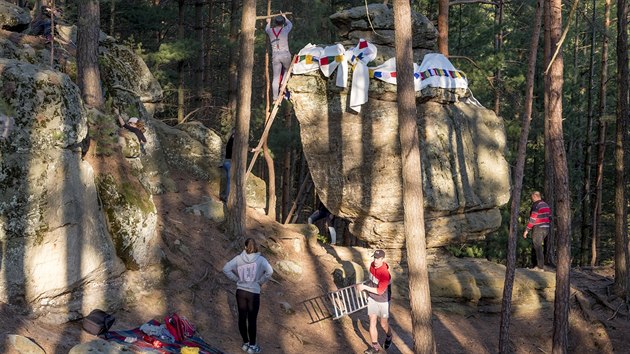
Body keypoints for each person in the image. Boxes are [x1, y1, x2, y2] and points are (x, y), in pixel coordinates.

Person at [223, 238, 274, 354]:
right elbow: (270, 271)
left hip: (240, 291)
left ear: (245, 247)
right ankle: (252, 346)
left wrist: (236, 279)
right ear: (256, 247)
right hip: (253, 293)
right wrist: (260, 281)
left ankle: (245, 343)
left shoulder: (238, 258)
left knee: (242, 317)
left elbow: (226, 269)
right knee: (252, 319)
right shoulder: (261, 260)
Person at [356, 250, 393, 354]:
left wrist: (364, 287)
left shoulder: (384, 273)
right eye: (375, 258)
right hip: (372, 298)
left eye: (378, 258)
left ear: (382, 259)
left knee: (383, 324)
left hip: (383, 301)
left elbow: (380, 291)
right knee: (372, 322)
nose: (376, 260)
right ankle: (375, 347)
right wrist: (364, 285)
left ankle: (389, 336)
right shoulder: (372, 265)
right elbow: (371, 280)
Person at [265, 12, 292, 100]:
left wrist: (268, 22)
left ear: (275, 23)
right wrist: (285, 17)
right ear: (283, 23)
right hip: (285, 54)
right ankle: (283, 83)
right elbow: (290, 24)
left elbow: (266, 28)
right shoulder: (285, 30)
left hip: (275, 55)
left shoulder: (270, 31)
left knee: (275, 77)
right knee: (288, 70)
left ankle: (275, 98)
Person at [523, 191, 552, 271]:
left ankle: (540, 267)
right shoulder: (546, 205)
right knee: (536, 246)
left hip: (538, 228)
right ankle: (536, 265)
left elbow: (533, 219)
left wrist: (527, 230)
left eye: (532, 197)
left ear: (535, 196)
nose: (532, 199)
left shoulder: (536, 205)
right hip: (546, 228)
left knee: (537, 247)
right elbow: (550, 217)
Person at [220, 129, 235, 201]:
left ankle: (226, 195)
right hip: (228, 162)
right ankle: (227, 196)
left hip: (226, 162)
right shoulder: (233, 141)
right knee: (230, 179)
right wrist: (252, 149)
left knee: (229, 179)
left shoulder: (229, 140)